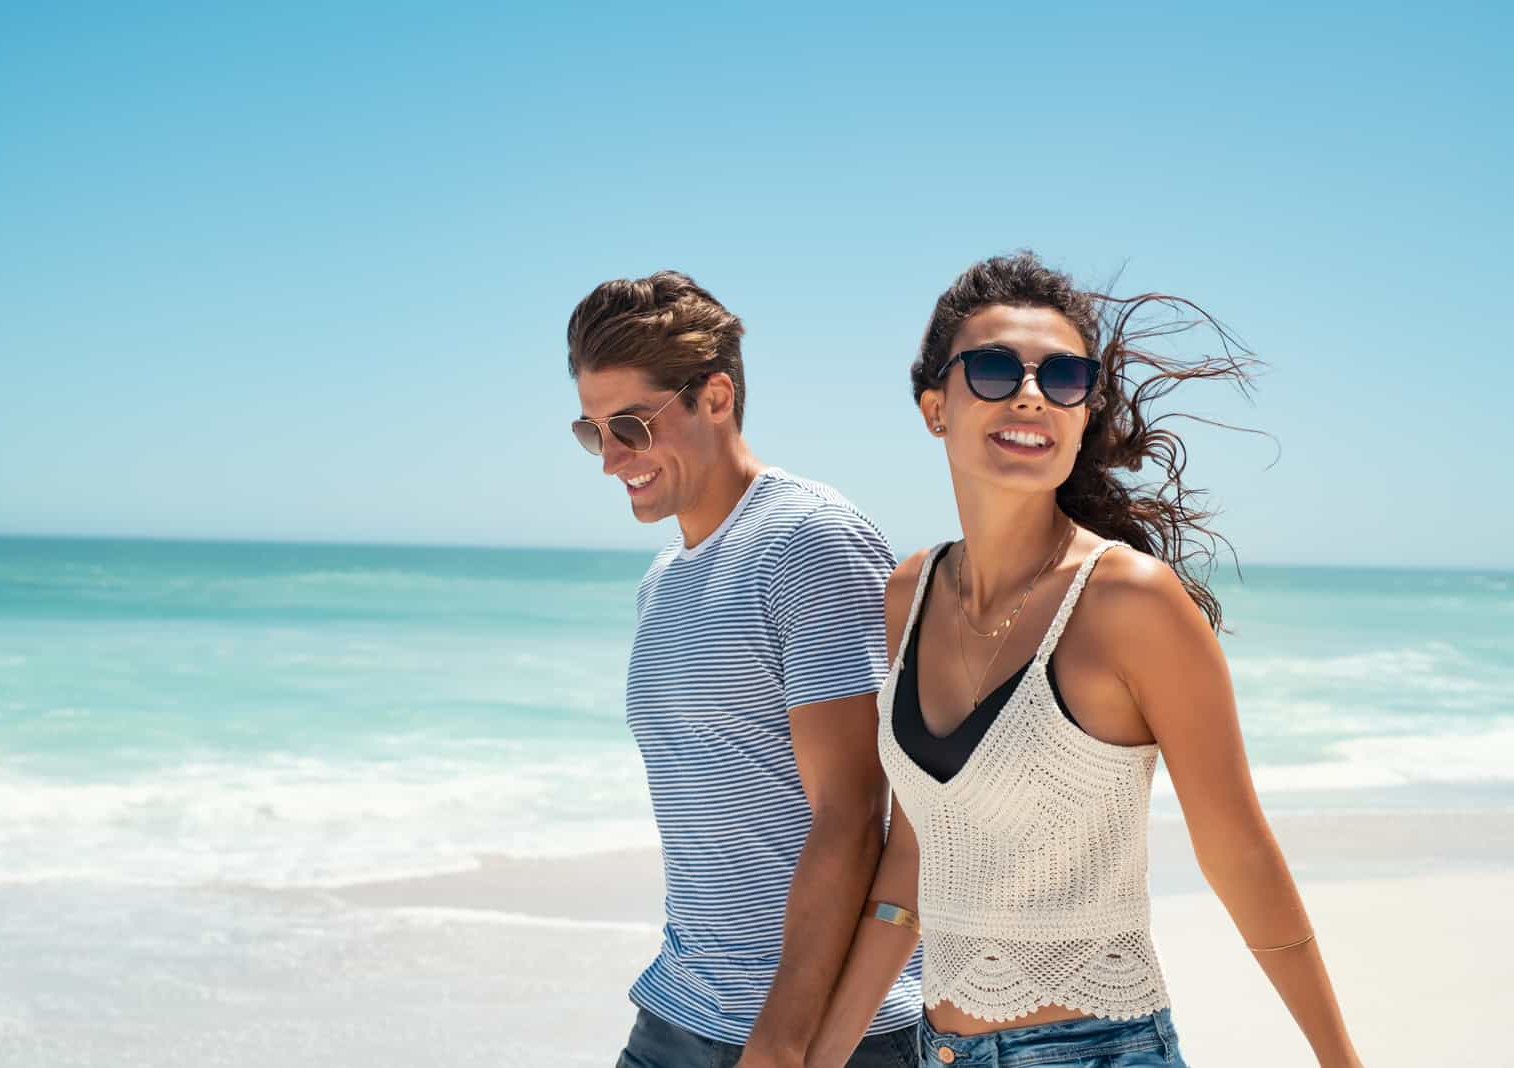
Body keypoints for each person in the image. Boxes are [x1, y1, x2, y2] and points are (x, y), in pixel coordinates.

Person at [808, 252, 1363, 1068]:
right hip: (940, 1053)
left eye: (1063, 376)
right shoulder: (910, 594)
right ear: (936, 408)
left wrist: (1340, 1061)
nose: (1030, 392)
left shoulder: (1130, 602)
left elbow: (1237, 851)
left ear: (1080, 411)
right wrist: (819, 1056)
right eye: (994, 368)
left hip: (1101, 1050)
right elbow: (915, 864)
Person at [567, 271, 923, 1068]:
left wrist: (786, 1037)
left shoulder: (811, 543)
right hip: (682, 1012)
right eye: (593, 433)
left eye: (629, 425)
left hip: (827, 1035)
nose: (611, 460)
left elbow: (853, 809)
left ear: (716, 398)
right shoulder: (664, 579)